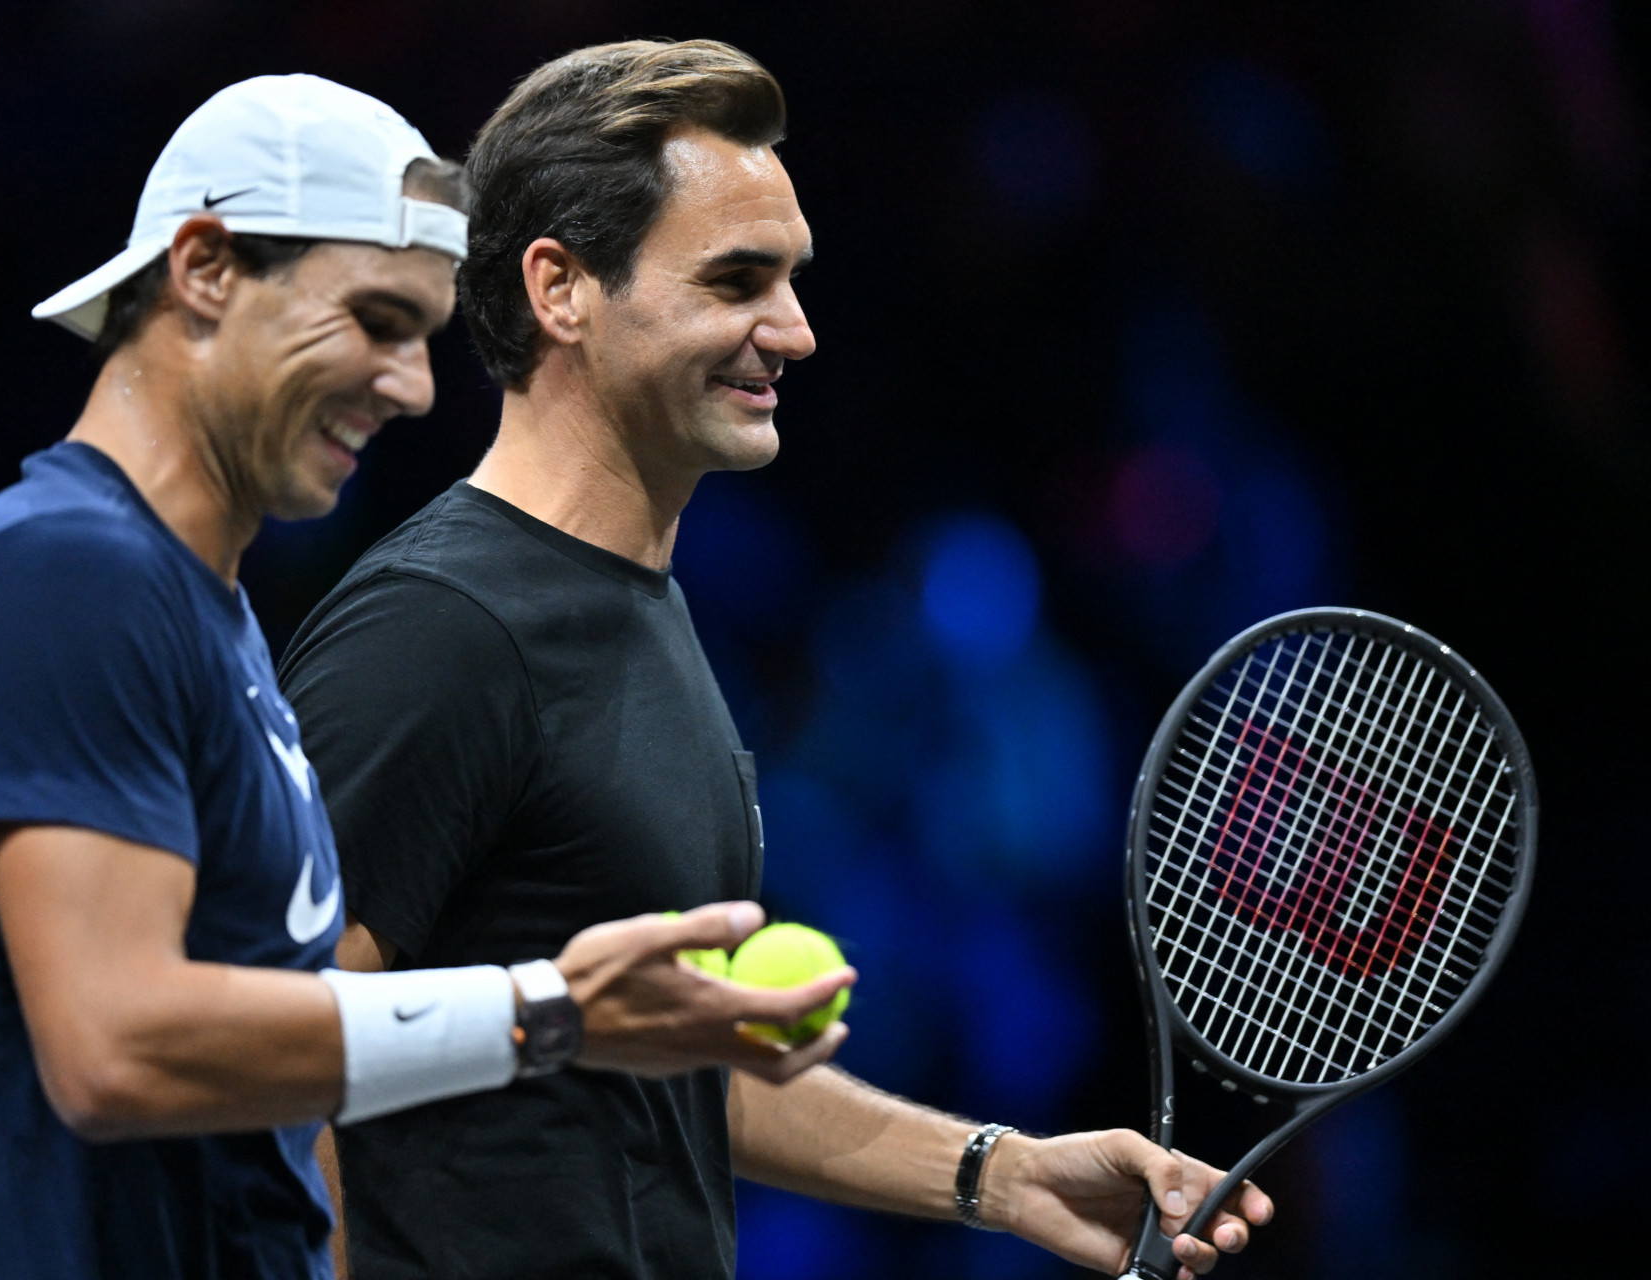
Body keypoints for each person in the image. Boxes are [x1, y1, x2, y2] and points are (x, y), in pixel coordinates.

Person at [278, 39, 1272, 1280]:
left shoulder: (648, 616)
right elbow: (272, 1054)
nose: (795, 332)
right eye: (737, 279)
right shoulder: (440, 628)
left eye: (793, 280)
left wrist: (1000, 1172)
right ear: (562, 288)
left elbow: (672, 1076)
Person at [0, 73, 854, 1280]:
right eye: (375, 322)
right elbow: (115, 1045)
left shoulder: (207, 627)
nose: (415, 385)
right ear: (207, 267)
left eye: (424, 335)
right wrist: (549, 1009)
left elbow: (279, 1064)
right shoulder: (62, 571)